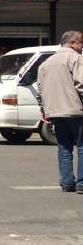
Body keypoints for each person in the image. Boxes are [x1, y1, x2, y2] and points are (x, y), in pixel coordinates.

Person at [37, 30, 83, 193]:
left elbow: (40, 90)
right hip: (75, 111)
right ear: (72, 43)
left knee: (64, 147)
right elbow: (81, 84)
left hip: (55, 112)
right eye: (80, 43)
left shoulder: (46, 63)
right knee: (82, 146)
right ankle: (81, 183)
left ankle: (67, 183)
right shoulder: (75, 58)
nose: (82, 47)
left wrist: (44, 110)